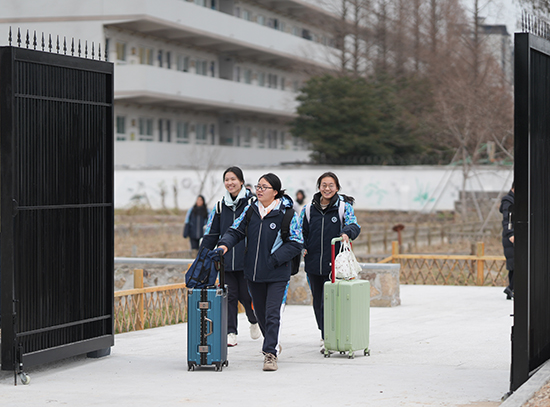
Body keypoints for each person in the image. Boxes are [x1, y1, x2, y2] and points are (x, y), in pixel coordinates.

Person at [216, 173, 303, 371]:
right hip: (253, 273)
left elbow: (296, 242)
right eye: (258, 186)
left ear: (275, 192)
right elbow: (235, 230)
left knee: (272, 313)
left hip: (277, 273)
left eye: (264, 187)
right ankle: (272, 342)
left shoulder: (287, 214)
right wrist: (224, 245)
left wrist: (274, 260)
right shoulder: (251, 210)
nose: (260, 190)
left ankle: (270, 353)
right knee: (260, 313)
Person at [300, 171, 361, 353]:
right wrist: (302, 247)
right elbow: (300, 232)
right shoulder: (308, 210)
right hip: (313, 263)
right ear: (319, 187)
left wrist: (347, 232)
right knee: (318, 300)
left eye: (331, 185)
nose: (327, 188)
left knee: (332, 301)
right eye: (324, 185)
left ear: (337, 188)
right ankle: (324, 334)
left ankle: (331, 336)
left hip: (336, 263)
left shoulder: (343, 208)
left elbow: (354, 225)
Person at [200, 167, 261, 346]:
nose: (230, 183)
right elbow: (212, 233)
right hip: (225, 261)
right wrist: (202, 256)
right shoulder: (220, 206)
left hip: (247, 261)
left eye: (233, 179)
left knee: (247, 297)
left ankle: (254, 320)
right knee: (229, 296)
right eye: (226, 180)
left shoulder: (253, 203)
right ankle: (231, 332)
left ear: (241, 181)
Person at [499, 183, 514, 300]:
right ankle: (511, 289)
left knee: (515, 265)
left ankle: (511, 289)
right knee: (515, 264)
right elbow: (507, 220)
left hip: (515, 236)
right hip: (511, 237)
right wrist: (511, 234)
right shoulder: (508, 201)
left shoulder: (514, 200)